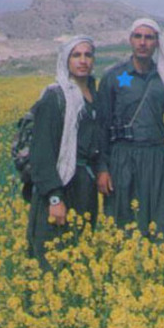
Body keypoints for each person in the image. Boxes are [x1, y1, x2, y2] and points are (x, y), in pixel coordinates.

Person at [96, 18, 164, 240]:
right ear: (130, 40)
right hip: (123, 159)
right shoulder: (114, 77)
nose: (143, 42)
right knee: (125, 224)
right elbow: (101, 125)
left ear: (157, 43)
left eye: (149, 37)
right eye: (138, 36)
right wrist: (102, 168)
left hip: (157, 157)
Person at [26, 35, 100, 269]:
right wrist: (54, 197)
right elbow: (42, 153)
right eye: (76, 55)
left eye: (88, 55)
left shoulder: (94, 95)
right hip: (59, 185)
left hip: (84, 186)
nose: (83, 61)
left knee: (80, 253)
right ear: (66, 60)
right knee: (51, 255)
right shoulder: (55, 97)